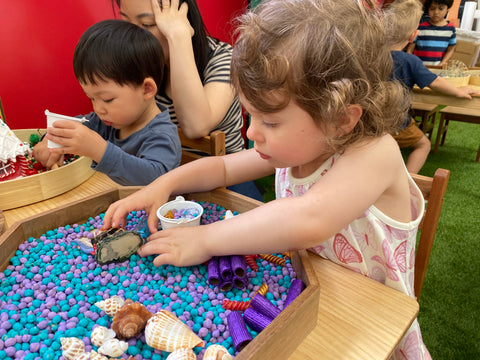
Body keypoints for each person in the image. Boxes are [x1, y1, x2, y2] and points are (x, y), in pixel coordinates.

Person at [103, 0, 432, 357]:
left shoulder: (375, 152)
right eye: (251, 114)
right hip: (313, 296)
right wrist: (163, 185)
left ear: (341, 117)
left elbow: (309, 219)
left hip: (372, 322)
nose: (252, 130)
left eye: (270, 121)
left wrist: (206, 239)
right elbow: (224, 168)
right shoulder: (301, 146)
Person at [112, 0, 264, 201]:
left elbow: (195, 126)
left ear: (183, 20)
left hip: (226, 179)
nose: (131, 36)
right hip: (160, 173)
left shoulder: (223, 58)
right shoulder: (135, 61)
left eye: (147, 24)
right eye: (126, 22)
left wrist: (178, 38)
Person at [32, 19, 182, 186]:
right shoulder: (105, 122)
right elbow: (69, 128)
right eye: (91, 98)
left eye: (107, 99)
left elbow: (156, 179)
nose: (98, 109)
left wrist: (99, 150)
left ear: (146, 89)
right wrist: (50, 140)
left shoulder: (161, 135)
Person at [385, 0, 477, 173]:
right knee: (423, 145)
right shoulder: (410, 61)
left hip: (369, 122)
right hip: (396, 124)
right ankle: (409, 181)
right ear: (414, 36)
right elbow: (436, 82)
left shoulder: (372, 55)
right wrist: (458, 91)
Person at [406, 0, 456, 66]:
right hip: (418, 68)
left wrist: (442, 63)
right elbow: (410, 49)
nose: (436, 12)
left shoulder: (451, 29)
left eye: (441, 9)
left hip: (437, 70)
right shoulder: (420, 27)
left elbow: (451, 49)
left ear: (447, 9)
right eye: (432, 9)